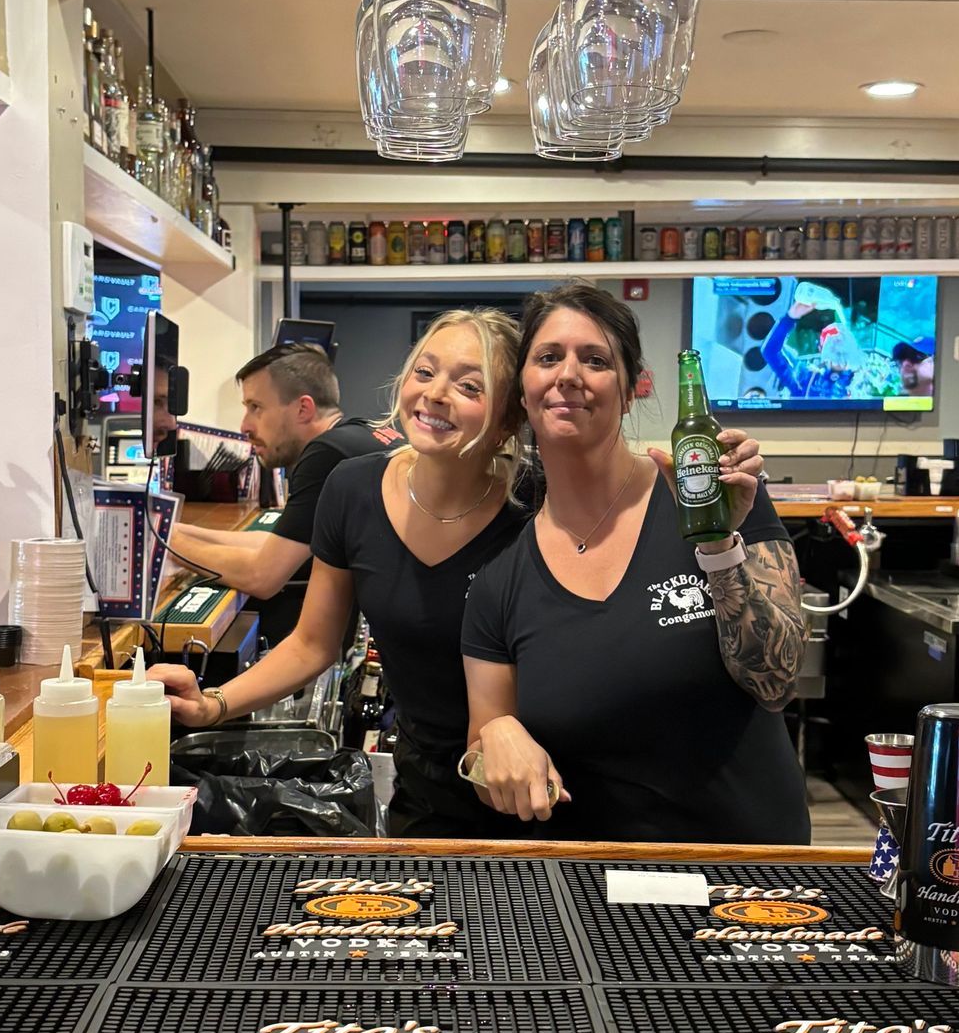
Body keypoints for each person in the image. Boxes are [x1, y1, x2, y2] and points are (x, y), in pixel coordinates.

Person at [159, 310, 533, 837]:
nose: (436, 393)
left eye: (470, 385)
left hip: (536, 789)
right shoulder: (352, 490)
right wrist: (212, 705)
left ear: (510, 419)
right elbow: (313, 643)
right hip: (423, 792)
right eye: (425, 373)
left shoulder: (536, 504)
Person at [461, 282, 811, 843]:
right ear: (523, 392)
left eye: (595, 360)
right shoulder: (501, 581)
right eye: (548, 357)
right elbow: (485, 770)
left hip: (741, 876)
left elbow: (777, 681)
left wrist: (719, 544)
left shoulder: (711, 499)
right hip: (593, 895)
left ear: (629, 392)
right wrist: (496, 734)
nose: (569, 374)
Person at [164, 344, 394, 648]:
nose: (245, 426)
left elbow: (262, 577)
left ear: (303, 409)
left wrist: (159, 543)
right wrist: (174, 531)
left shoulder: (326, 455)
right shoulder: (356, 435)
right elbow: (276, 544)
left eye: (255, 407)